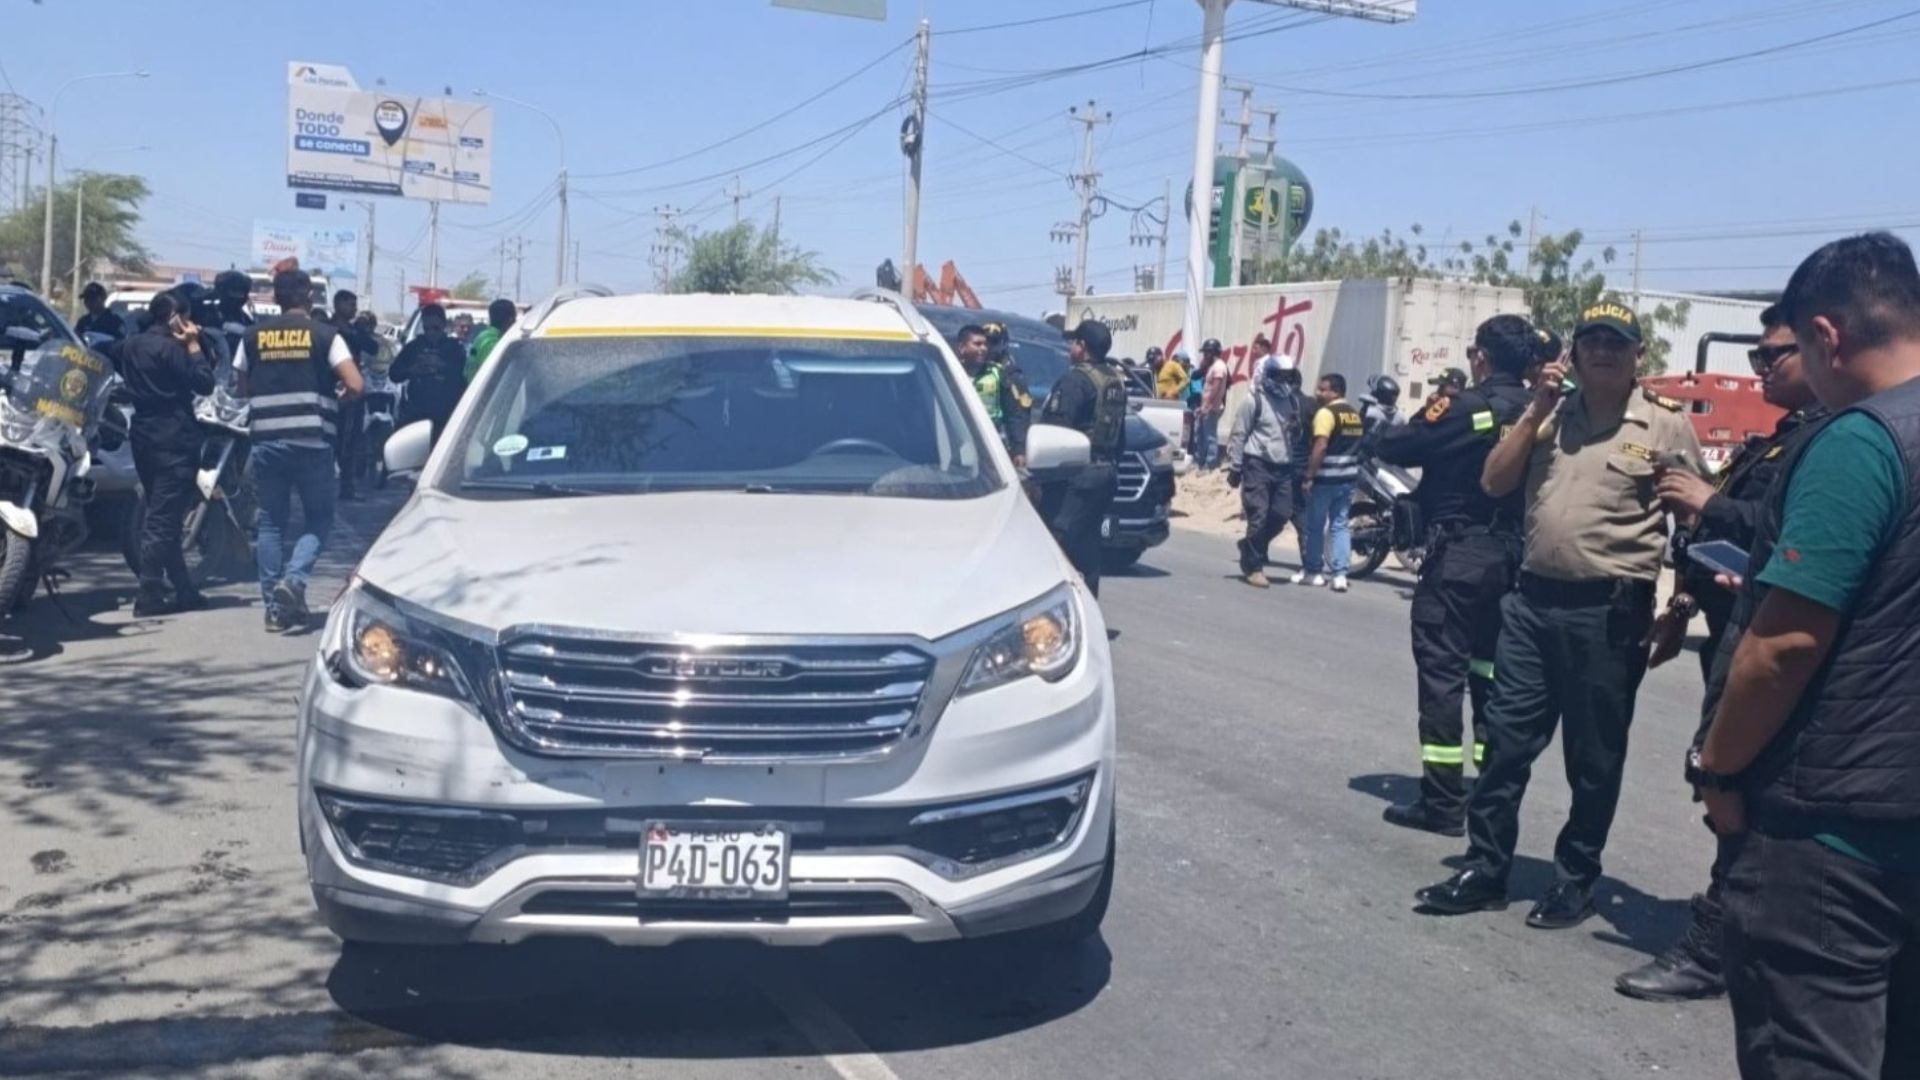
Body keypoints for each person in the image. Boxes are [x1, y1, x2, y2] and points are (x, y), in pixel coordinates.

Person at [1692, 233, 1920, 1078]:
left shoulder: (1861, 442)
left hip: (1833, 841)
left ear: (1826, 335)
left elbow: (1784, 645)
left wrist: (1718, 770)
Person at [1415, 302, 1703, 927]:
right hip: (1531, 604)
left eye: (1616, 342)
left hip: (1610, 614)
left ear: (1638, 355)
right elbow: (1494, 482)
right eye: (1590, 340)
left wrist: (1681, 605)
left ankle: (1575, 879)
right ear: (1572, 353)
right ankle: (1487, 868)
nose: (1602, 351)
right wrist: (1535, 412)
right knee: (1504, 745)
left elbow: (1693, 523)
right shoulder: (1546, 414)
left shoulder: (1665, 425)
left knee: (1593, 760)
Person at [1613, 303, 1828, 1003]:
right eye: (1757, 356)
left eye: (1773, 355)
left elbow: (1784, 532)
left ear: (1822, 347)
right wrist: (1681, 603)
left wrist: (1709, 502)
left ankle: (1716, 946)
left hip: (1767, 640)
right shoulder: (1786, 436)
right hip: (1727, 623)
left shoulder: (1832, 440)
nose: (1760, 368)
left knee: (1731, 785)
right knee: (1731, 793)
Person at [1374, 315, 1536, 837]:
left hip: (1460, 555)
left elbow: (1395, 446)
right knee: (1491, 680)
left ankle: (1443, 803)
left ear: (1481, 357)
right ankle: (1488, 796)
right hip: (1515, 562)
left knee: (1443, 677)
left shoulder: (1468, 407)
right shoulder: (1539, 409)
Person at [238, 269, 363, 633]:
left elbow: (241, 386)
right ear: (309, 298)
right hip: (312, 441)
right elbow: (356, 384)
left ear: (276, 298)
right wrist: (338, 398)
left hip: (266, 441)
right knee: (319, 519)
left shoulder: (252, 336)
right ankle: (293, 581)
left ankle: (275, 610)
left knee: (271, 523)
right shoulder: (326, 335)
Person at [102, 292, 215, 617]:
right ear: (176, 318)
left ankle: (183, 588)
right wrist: (193, 345)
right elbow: (204, 382)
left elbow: (111, 350)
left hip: (143, 434)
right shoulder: (171, 349)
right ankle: (149, 591)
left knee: (164, 512)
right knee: (162, 519)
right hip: (174, 436)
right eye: (187, 317)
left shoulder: (131, 346)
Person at [1037, 319, 1128, 596]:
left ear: (1082, 346)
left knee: (1054, 544)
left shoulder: (1075, 380)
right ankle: (1089, 606)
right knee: (1088, 546)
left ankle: (1055, 609)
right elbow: (1119, 436)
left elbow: (1055, 432)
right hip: (1105, 473)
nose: (1070, 348)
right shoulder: (1114, 381)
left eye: (1074, 342)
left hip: (1076, 477)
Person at [1226, 355, 1302, 588]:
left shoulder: (1292, 401)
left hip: (1283, 467)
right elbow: (1239, 434)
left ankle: (1249, 545)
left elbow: (1296, 434)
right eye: (1281, 376)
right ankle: (1254, 567)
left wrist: (1296, 429)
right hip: (1257, 465)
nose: (1285, 381)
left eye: (1288, 377)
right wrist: (1235, 467)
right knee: (1258, 516)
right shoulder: (1254, 401)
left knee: (1281, 514)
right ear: (1269, 376)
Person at [1293, 373, 1365, 592]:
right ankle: (1340, 574)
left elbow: (1321, 446)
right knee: (1340, 525)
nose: (1318, 393)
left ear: (1336, 392)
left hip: (1325, 479)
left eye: (1323, 389)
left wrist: (1309, 476)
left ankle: (1313, 571)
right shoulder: (1354, 414)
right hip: (1347, 479)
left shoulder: (1326, 413)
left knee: (1315, 526)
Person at [955, 322, 1033, 468]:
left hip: (990, 445)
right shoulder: (948, 371)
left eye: (986, 344)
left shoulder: (999, 374)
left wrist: (1019, 450)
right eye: (977, 344)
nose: (984, 348)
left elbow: (1014, 415)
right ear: (962, 347)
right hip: (955, 442)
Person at [390, 304, 468, 444]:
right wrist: (412, 371)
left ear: (444, 325)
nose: (431, 333)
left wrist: (441, 365)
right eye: (427, 329)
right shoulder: (414, 347)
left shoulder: (454, 348)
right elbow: (394, 374)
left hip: (445, 416)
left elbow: (464, 376)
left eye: (435, 328)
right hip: (417, 414)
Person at [330, 290, 376, 501]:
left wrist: (358, 332)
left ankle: (347, 485)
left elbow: (372, 347)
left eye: (355, 304)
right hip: (332, 388)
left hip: (352, 389)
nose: (354, 309)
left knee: (351, 440)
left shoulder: (355, 330)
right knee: (333, 438)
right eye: (350, 304)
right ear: (338, 305)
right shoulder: (328, 329)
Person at [464, 298, 517, 383]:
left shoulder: (482, 337)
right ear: (511, 319)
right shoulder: (494, 343)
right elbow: (493, 376)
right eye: (515, 319)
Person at [1198, 343, 1233, 470]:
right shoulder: (1214, 366)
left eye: (1206, 353)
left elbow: (1216, 387)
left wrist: (1208, 404)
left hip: (1211, 407)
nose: (1204, 355)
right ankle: (1202, 462)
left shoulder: (1219, 366)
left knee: (1210, 437)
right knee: (1204, 435)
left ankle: (1210, 464)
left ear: (1212, 353)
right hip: (1208, 406)